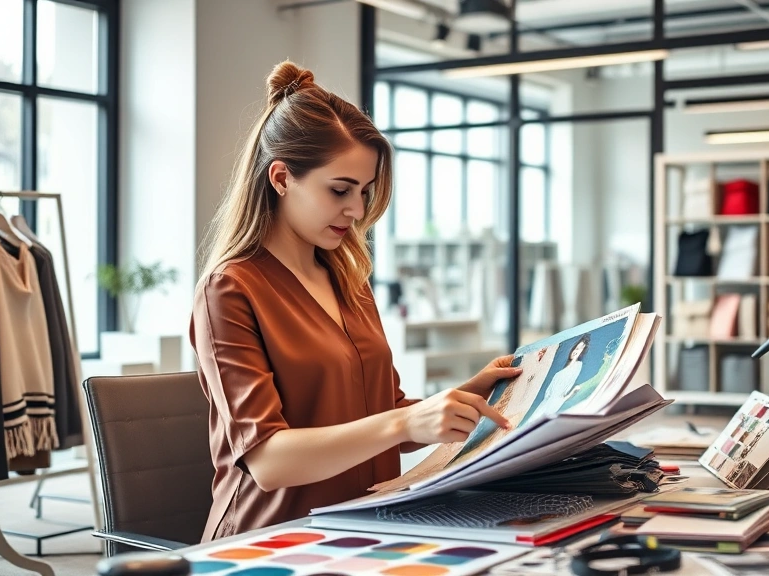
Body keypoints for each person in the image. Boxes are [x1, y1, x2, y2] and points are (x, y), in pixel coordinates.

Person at [189, 61, 521, 542]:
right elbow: (268, 460)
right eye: (340, 190)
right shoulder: (229, 290)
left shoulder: (349, 279)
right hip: (273, 541)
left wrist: (469, 395)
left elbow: (387, 415)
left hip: (368, 524)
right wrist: (405, 419)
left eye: (364, 192)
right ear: (281, 179)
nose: (358, 210)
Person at [536, 333, 590, 417]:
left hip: (553, 405)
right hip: (545, 404)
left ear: (582, 353)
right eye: (576, 348)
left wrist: (572, 392)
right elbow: (549, 393)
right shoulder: (562, 371)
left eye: (580, 350)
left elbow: (562, 395)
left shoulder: (577, 366)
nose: (576, 352)